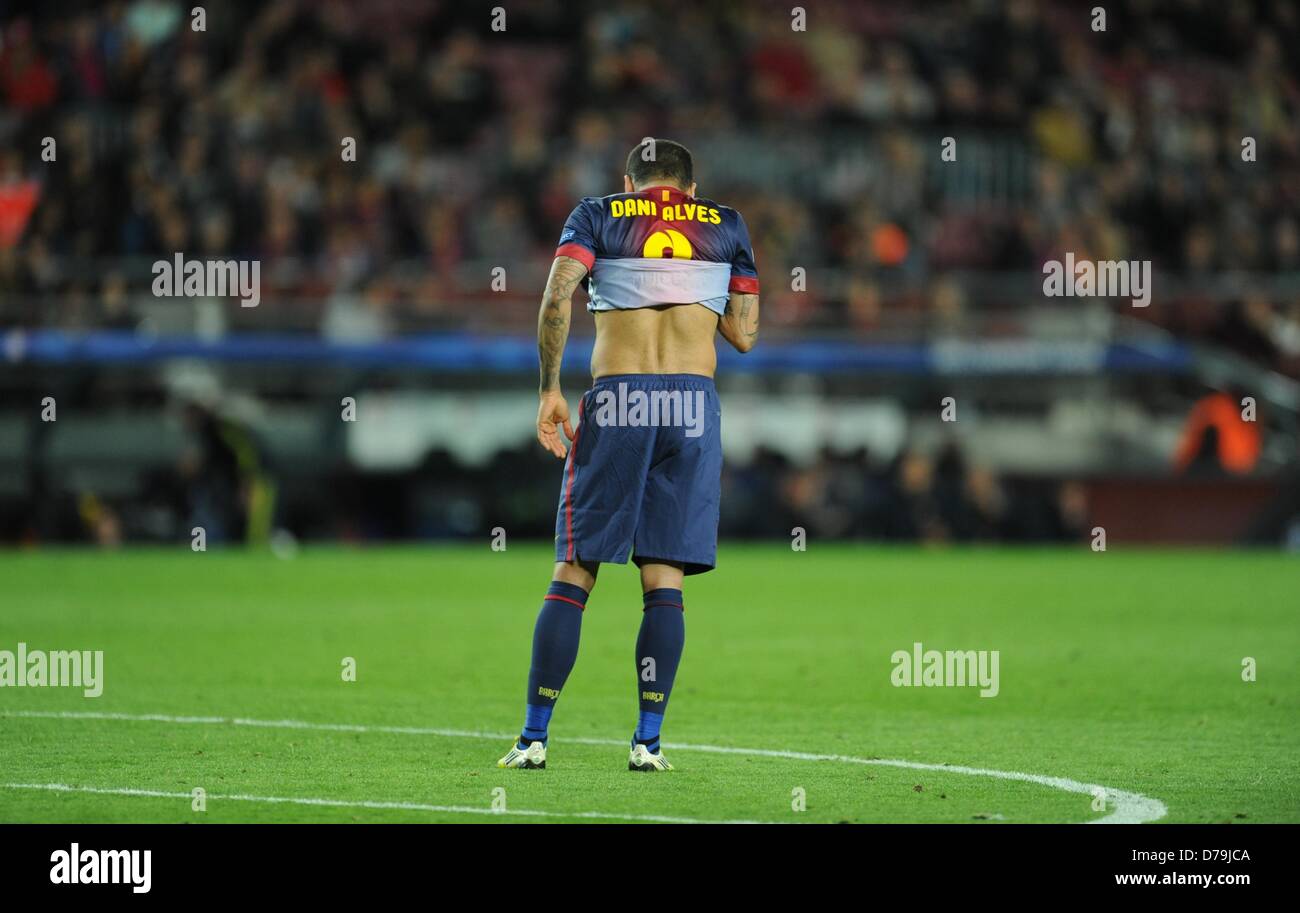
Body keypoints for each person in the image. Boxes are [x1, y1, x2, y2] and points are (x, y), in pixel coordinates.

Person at [498, 139, 759, 772]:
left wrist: (549, 391)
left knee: (577, 568)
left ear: (627, 181)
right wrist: (699, 290)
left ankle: (534, 740)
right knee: (663, 579)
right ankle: (648, 743)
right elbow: (746, 336)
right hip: (693, 405)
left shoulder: (598, 214)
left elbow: (558, 295)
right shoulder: (725, 224)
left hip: (620, 399)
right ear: (689, 190)